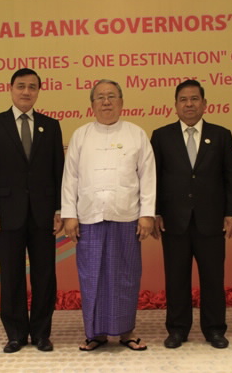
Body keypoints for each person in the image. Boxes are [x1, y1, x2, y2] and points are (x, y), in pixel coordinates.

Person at [61, 79, 156, 352]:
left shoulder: (136, 134)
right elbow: (70, 178)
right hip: (89, 218)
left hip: (126, 216)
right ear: (92, 104)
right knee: (92, 277)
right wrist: (69, 215)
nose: (106, 102)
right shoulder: (81, 135)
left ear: (121, 102)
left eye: (111, 96)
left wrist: (147, 214)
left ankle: (126, 331)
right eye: (100, 97)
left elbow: (148, 176)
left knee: (125, 276)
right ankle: (95, 333)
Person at [0, 68, 64, 353]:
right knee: (11, 275)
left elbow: (58, 171)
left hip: (43, 214)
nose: (26, 91)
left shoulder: (50, 126)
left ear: (39, 91)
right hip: (7, 214)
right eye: (21, 86)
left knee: (44, 275)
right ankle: (15, 334)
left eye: (32, 87)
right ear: (11, 89)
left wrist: (59, 208)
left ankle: (41, 333)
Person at [151, 79, 232, 350]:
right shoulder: (161, 136)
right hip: (173, 220)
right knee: (176, 278)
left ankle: (215, 329)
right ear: (175, 105)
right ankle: (177, 329)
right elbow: (153, 178)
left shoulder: (221, 135)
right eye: (183, 100)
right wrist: (155, 212)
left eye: (194, 99)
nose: (189, 104)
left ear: (204, 104)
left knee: (213, 278)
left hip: (211, 220)